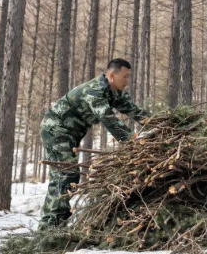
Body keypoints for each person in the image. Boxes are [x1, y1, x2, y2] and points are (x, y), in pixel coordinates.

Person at [39, 58, 151, 229]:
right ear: (112, 75)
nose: (127, 81)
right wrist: (133, 142)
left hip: (70, 132)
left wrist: (164, 124)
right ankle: (51, 226)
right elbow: (110, 121)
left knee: (67, 174)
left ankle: (53, 223)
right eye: (125, 77)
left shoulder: (115, 92)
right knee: (66, 174)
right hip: (56, 129)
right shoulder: (95, 91)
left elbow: (136, 112)